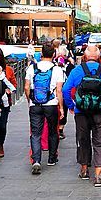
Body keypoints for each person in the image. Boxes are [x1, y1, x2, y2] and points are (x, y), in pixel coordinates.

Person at [62, 44, 101, 187]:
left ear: (85, 57)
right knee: (100, 139)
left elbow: (65, 90)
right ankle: (98, 175)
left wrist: (71, 105)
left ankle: (84, 170)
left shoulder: (76, 71)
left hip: (81, 111)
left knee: (83, 138)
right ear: (100, 57)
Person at [24, 42, 64, 175]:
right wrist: (61, 107)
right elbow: (59, 90)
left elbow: (26, 87)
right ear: (54, 54)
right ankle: (52, 158)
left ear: (41, 54)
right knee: (53, 131)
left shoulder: (32, 67)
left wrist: (30, 100)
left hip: (35, 104)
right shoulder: (57, 69)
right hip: (51, 104)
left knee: (35, 133)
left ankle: (36, 160)